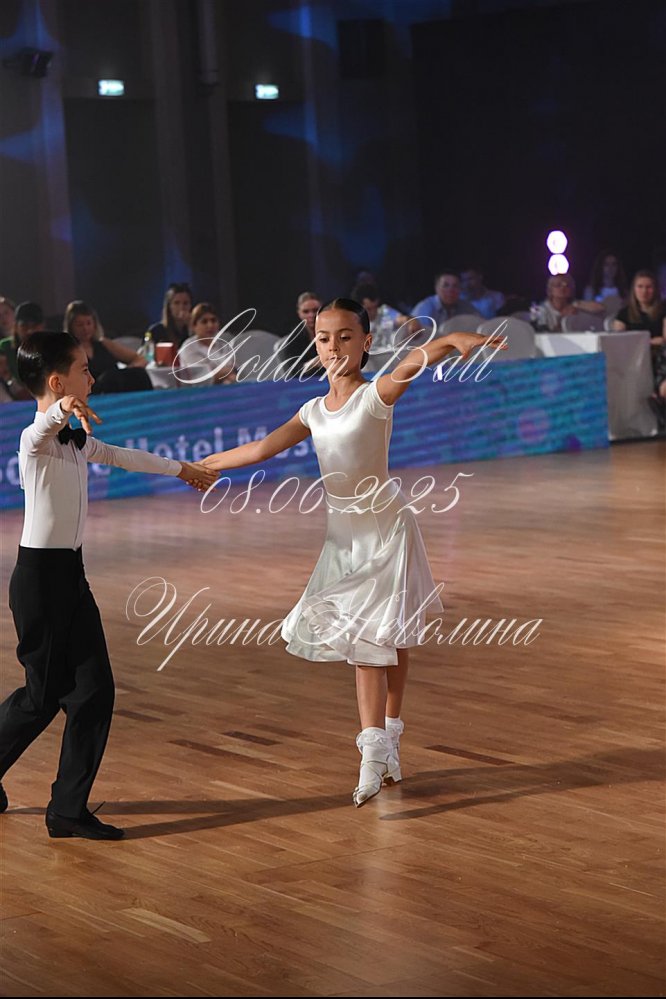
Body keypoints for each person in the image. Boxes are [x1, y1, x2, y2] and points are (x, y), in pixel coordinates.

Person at [201, 298, 507, 807]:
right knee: (382, 639)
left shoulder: (374, 396)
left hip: (386, 531)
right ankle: (385, 746)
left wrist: (453, 342)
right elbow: (259, 449)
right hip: (343, 538)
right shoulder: (312, 411)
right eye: (324, 338)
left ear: (365, 342)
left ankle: (375, 750)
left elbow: (414, 362)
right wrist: (201, 466)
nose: (334, 347)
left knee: (378, 641)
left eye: (345, 337)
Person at [0, 331, 216, 839]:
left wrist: (181, 469)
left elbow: (122, 456)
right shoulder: (34, 441)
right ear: (58, 382)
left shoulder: (76, 442)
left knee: (94, 691)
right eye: (84, 370)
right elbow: (44, 426)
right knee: (41, 698)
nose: (93, 379)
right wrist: (61, 409)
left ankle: (67, 810)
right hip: (39, 583)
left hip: (71, 577)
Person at [64, 300, 152, 394]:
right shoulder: (67, 351)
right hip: (92, 395)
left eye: (89, 323)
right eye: (80, 325)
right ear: (71, 327)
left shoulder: (105, 343)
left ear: (95, 324)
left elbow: (141, 359)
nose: (85, 328)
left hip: (116, 392)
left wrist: (125, 372)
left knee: (140, 374)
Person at [177, 302, 237, 387]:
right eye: (204, 322)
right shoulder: (189, 347)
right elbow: (202, 377)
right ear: (194, 326)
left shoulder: (224, 345)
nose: (210, 325)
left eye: (213, 320)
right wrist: (226, 373)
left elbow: (234, 370)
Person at [530, 274, 605, 332]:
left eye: (567, 285)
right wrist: (562, 319)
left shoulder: (574, 305)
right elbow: (542, 335)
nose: (563, 288)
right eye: (558, 285)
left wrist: (577, 305)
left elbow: (601, 308)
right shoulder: (539, 309)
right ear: (550, 290)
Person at [413, 270, 481, 329]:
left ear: (460, 289)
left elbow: (481, 326)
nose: (451, 290)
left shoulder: (466, 307)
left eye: (455, 286)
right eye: (446, 285)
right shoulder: (424, 308)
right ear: (436, 288)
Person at [0, 301, 45, 386]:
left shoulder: (54, 348)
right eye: (24, 326)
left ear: (42, 326)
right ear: (16, 327)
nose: (29, 331)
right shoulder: (4, 348)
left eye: (34, 326)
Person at [148, 282, 193, 348]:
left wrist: (191, 327)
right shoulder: (156, 331)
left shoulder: (195, 330)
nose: (182, 307)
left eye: (185, 303)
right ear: (169, 306)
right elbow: (146, 352)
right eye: (176, 303)